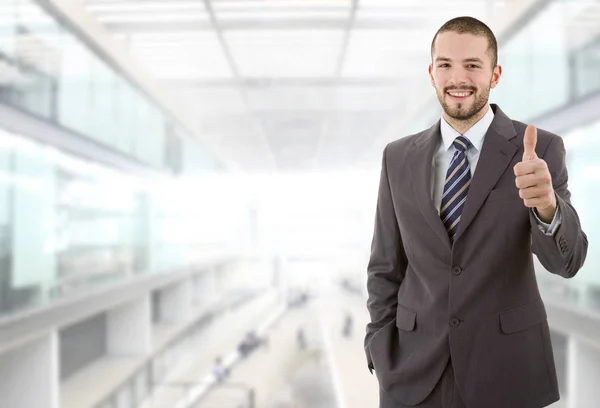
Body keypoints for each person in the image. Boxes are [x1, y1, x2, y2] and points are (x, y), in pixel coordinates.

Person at [364, 16, 588, 408]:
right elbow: (385, 265)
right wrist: (379, 345)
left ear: (495, 74)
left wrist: (548, 207)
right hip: (412, 374)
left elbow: (567, 263)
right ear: (432, 73)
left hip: (507, 372)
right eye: (446, 65)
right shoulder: (397, 157)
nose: (458, 78)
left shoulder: (540, 149)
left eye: (472, 65)